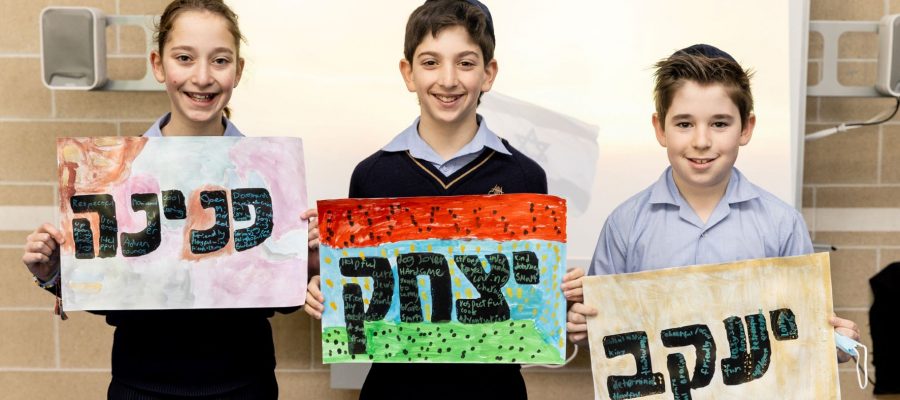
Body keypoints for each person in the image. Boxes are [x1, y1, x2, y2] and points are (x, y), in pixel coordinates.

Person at [22, 0, 301, 397]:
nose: (202, 77)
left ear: (237, 71)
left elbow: (283, 302)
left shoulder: (269, 172)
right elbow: (107, 298)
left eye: (220, 61)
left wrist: (303, 263)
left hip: (244, 385)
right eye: (184, 58)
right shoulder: (115, 174)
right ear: (158, 65)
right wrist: (55, 272)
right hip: (141, 386)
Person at [302, 0, 546, 398]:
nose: (448, 80)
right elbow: (363, 302)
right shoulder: (371, 176)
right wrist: (328, 292)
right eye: (430, 62)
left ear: (489, 73)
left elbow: (528, 303)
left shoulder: (524, 177)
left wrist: (558, 294)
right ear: (408, 73)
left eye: (465, 63)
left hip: (493, 390)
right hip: (394, 389)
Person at [562, 44, 860, 359]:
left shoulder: (782, 224)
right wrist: (584, 328)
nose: (701, 141)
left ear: (746, 128)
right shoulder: (624, 224)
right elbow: (602, 330)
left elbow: (803, 333)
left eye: (719, 124)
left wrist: (836, 344)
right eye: (684, 124)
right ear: (660, 128)